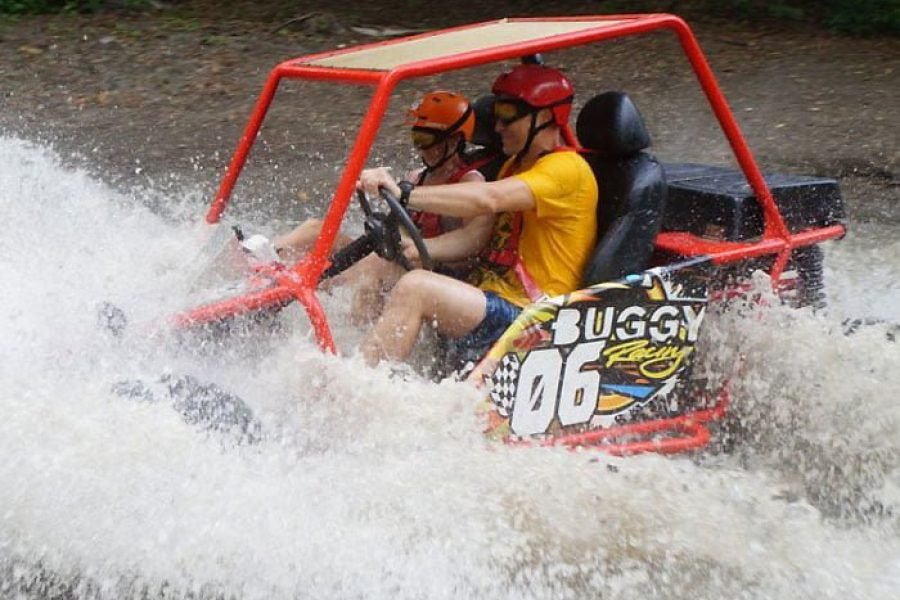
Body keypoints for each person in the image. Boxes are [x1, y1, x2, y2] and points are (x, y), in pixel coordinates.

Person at [356, 64, 599, 367]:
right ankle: (351, 352)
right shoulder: (514, 166)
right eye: (497, 114)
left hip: (534, 315)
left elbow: (487, 199)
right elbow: (477, 238)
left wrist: (404, 193)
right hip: (489, 293)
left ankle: (354, 389)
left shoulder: (567, 171)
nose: (498, 127)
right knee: (387, 266)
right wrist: (414, 250)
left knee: (416, 286)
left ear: (547, 117)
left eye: (509, 114)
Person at [265, 90, 497, 322]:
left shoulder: (470, 183)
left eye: (426, 141)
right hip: (405, 262)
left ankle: (351, 335)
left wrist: (417, 248)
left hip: (444, 279)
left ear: (454, 141)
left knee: (376, 265)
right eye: (416, 139)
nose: (420, 149)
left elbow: (473, 244)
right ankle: (254, 277)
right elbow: (401, 229)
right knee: (317, 230)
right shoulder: (416, 178)